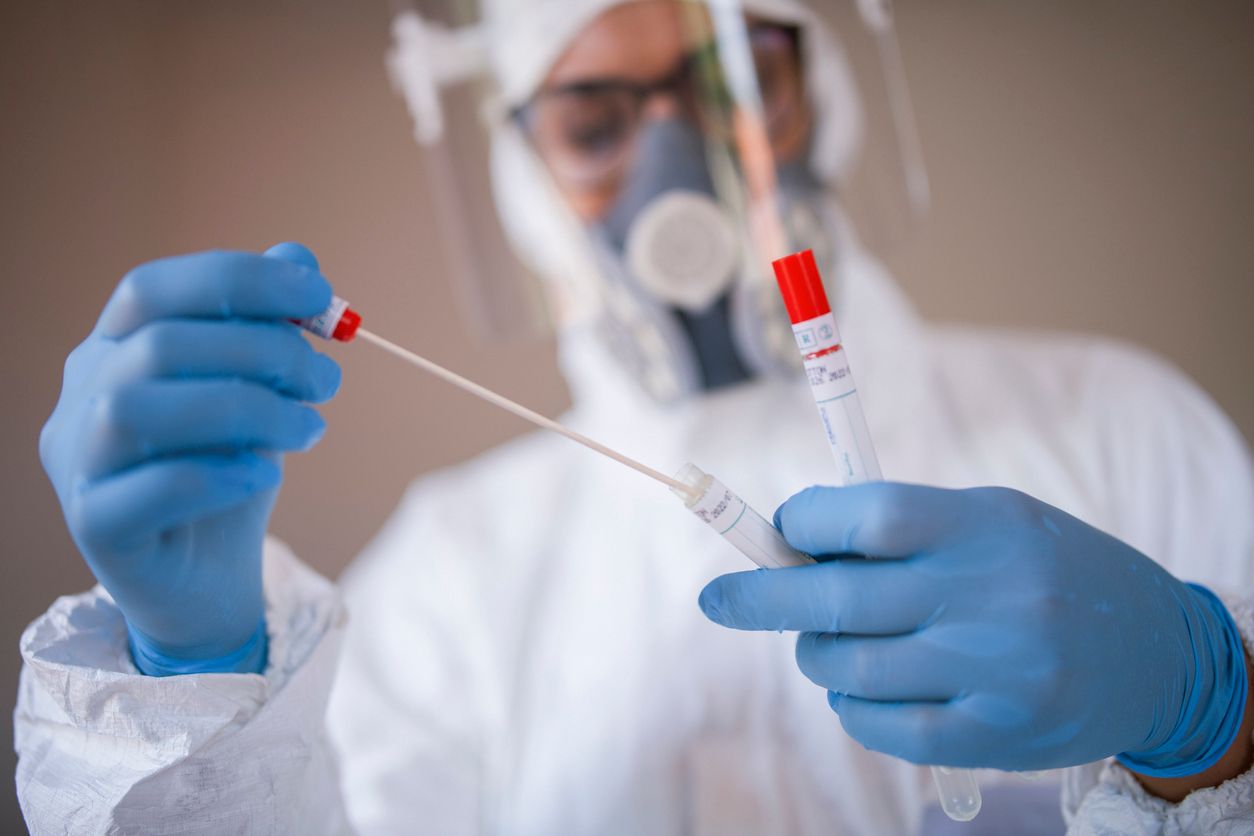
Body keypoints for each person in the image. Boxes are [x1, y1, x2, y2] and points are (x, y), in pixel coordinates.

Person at [17, 1, 1254, 834]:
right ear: (523, 170)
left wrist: (1213, 710)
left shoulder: (1121, 424)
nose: (682, 162)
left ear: (822, 94)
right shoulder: (456, 570)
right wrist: (191, 679)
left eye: (738, 85)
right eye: (596, 124)